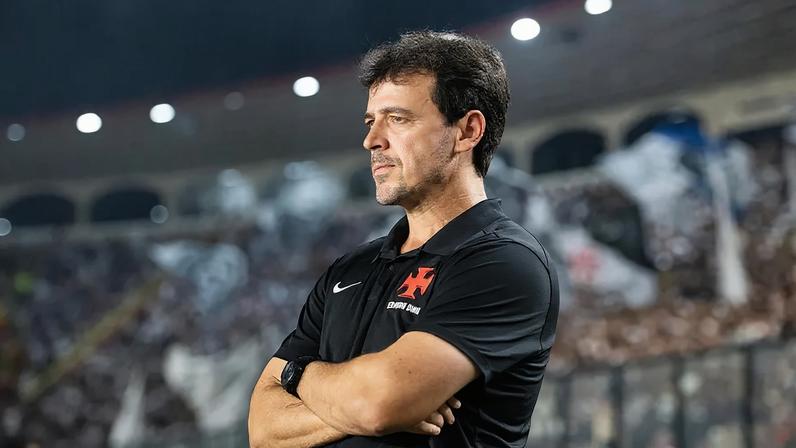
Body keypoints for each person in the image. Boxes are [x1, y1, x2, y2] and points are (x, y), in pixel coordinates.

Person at [248, 30, 559, 448]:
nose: (372, 140)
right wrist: (356, 406)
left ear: (467, 131)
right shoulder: (349, 268)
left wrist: (296, 375)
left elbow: (380, 405)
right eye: (370, 121)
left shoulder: (505, 262)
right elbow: (263, 430)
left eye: (397, 119)